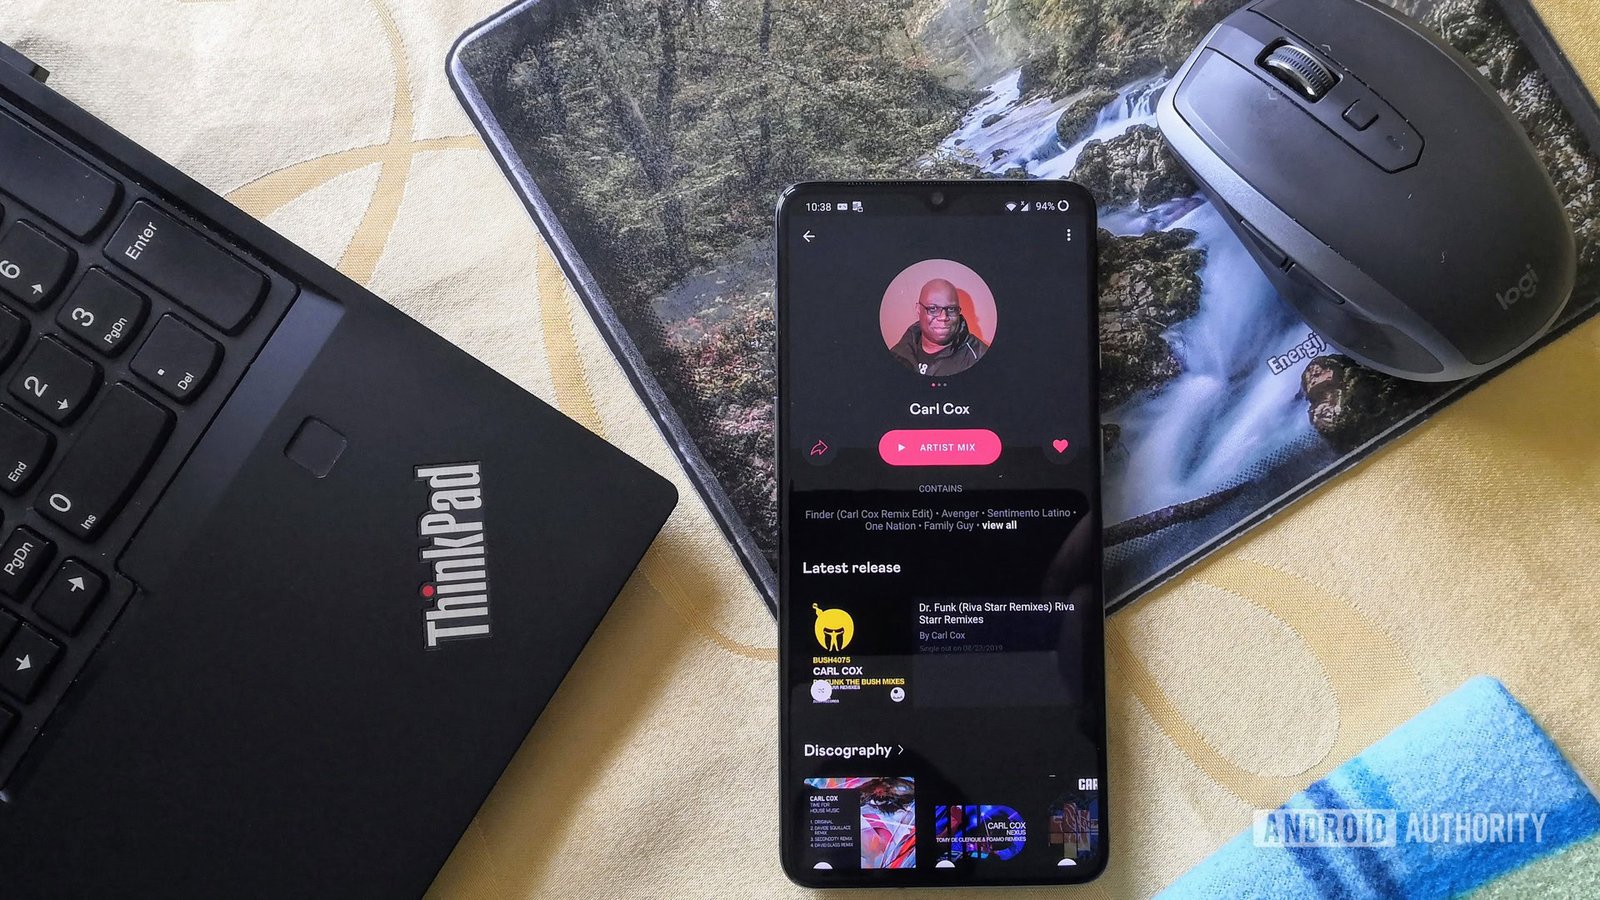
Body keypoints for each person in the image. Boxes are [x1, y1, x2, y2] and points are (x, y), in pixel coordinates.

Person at [888, 278, 989, 376]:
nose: (943, 317)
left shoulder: (978, 357)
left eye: (951, 309)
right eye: (933, 308)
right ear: (918, 310)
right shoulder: (900, 352)